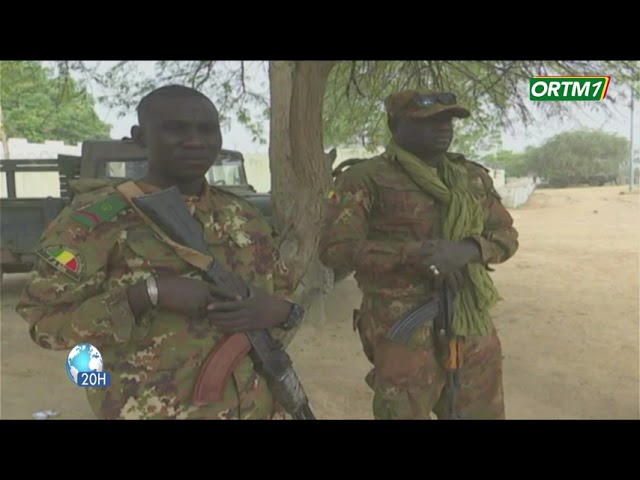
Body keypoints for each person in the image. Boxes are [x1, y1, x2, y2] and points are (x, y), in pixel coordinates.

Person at [15, 84, 305, 420]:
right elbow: (46, 324)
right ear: (140, 137)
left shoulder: (243, 216)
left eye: (208, 129)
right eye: (176, 129)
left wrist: (281, 311)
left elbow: (283, 295)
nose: (196, 141)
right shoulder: (95, 222)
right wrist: (146, 294)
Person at [318, 90, 519, 420]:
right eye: (428, 120)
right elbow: (335, 250)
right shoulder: (364, 178)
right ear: (396, 126)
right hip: (402, 328)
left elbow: (505, 236)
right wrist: (414, 255)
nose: (442, 127)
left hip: (470, 320)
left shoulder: (471, 178)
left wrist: (466, 250)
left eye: (447, 119)